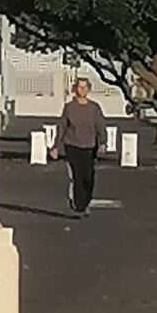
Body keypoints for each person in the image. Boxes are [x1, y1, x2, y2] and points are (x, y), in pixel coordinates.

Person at [51, 77, 107, 215]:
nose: (82, 90)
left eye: (84, 87)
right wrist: (56, 146)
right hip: (72, 145)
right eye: (79, 87)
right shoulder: (69, 108)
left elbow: (100, 126)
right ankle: (79, 205)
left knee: (88, 177)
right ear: (75, 89)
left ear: (88, 89)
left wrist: (103, 142)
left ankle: (86, 201)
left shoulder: (94, 108)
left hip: (89, 146)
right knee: (77, 176)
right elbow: (62, 126)